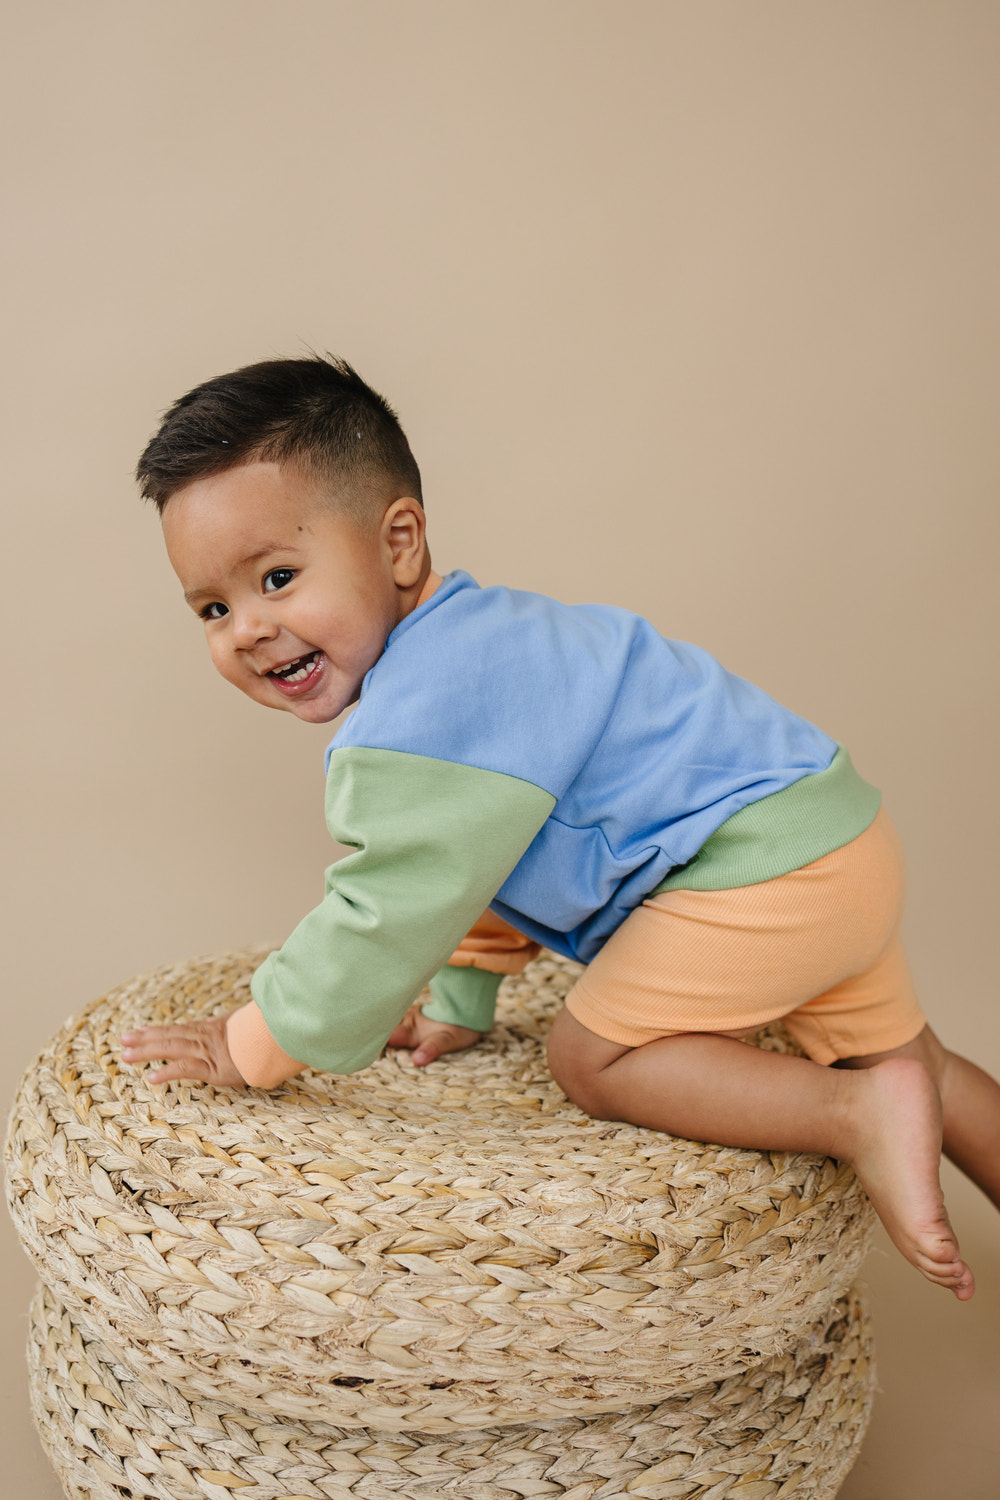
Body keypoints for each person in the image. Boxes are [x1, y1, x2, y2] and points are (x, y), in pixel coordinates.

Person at [122, 355, 1000, 1303]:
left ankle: (853, 1110)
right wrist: (461, 1000)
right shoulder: (492, 641)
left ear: (400, 542)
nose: (248, 628)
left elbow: (391, 908)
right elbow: (496, 856)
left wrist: (257, 1043)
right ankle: (900, 1088)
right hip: (834, 836)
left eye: (279, 577)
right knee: (930, 1070)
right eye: (214, 607)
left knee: (593, 1057)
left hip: (758, 874)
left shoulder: (424, 706)